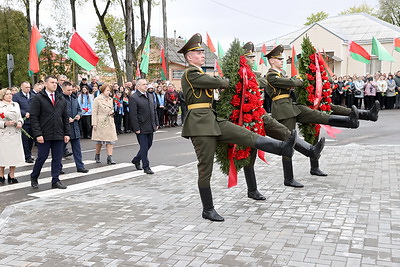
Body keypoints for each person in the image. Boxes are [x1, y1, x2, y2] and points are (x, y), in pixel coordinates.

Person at [178, 33, 297, 222]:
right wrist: (229, 80)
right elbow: (218, 82)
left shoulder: (199, 73)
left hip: (213, 119)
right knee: (205, 168)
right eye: (198, 52)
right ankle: (208, 209)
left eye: (202, 51)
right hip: (199, 126)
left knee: (246, 135)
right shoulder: (190, 73)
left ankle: (282, 147)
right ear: (189, 57)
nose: (202, 54)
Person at [262, 45, 360, 186]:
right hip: (283, 110)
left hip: (292, 106)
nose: (281, 61)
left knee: (317, 115)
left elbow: (293, 84)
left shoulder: (280, 73)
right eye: (279, 59)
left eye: (281, 59)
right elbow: (294, 83)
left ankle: (349, 121)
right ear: (271, 61)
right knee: (288, 142)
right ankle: (288, 178)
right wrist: (299, 79)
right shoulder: (271, 76)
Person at [30, 75, 70, 189]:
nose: (54, 84)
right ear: (46, 84)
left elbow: (65, 117)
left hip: (58, 133)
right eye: (52, 82)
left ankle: (55, 180)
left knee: (57, 158)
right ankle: (34, 176)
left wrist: (67, 133)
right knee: (42, 157)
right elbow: (34, 117)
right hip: (44, 134)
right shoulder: (38, 98)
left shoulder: (60, 98)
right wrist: (38, 134)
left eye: (56, 83)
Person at [129, 79, 158, 174]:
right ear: (137, 86)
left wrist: (156, 123)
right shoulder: (134, 97)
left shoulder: (150, 95)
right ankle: (146, 166)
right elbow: (133, 115)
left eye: (146, 84)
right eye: (143, 84)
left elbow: (154, 110)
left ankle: (136, 159)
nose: (146, 86)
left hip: (150, 125)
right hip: (141, 127)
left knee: (148, 145)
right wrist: (136, 128)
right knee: (144, 147)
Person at [61, 82, 88, 173]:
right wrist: (65, 118)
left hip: (74, 126)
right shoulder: (60, 99)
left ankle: (80, 166)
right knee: (60, 150)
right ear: (63, 89)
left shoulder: (74, 98)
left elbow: (80, 110)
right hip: (64, 128)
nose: (70, 92)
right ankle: (58, 168)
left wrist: (79, 115)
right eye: (68, 90)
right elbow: (57, 113)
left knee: (77, 149)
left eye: (71, 90)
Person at [0, 88, 25, 184]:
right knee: (3, 155)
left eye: (11, 94)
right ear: (3, 96)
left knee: (14, 156)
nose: (10, 96)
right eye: (7, 94)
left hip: (15, 133)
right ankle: (1, 174)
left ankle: (12, 174)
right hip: (4, 133)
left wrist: (20, 122)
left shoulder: (16, 104)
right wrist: (5, 123)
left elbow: (19, 117)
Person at [92, 83, 118, 165]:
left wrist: (112, 112)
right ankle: (97, 155)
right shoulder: (97, 99)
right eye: (107, 90)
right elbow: (94, 112)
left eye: (109, 90)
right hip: (101, 121)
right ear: (102, 90)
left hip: (109, 120)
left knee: (110, 140)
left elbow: (112, 108)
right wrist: (94, 123)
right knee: (99, 140)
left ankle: (110, 157)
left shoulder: (110, 99)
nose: (108, 92)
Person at [12, 81, 35, 163]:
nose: (28, 89)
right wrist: (24, 113)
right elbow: (15, 108)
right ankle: (27, 156)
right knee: (24, 139)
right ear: (21, 87)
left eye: (29, 87)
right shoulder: (16, 96)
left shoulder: (33, 95)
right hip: (23, 121)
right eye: (26, 87)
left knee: (31, 139)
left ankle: (28, 154)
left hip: (32, 121)